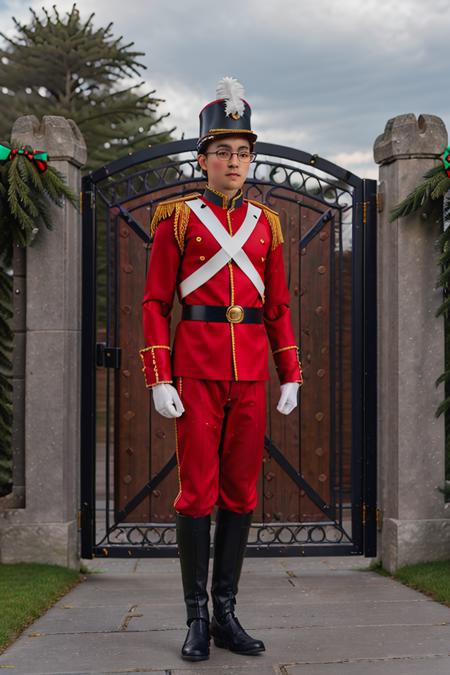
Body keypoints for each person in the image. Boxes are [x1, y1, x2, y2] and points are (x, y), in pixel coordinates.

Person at [139, 76, 303, 662]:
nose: (234, 162)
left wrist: (292, 374)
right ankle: (196, 618)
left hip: (252, 370)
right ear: (203, 158)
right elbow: (156, 303)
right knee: (196, 494)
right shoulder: (177, 218)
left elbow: (278, 305)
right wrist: (159, 376)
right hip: (197, 369)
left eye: (242, 152)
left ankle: (228, 613)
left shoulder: (268, 224)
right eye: (222, 151)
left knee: (239, 491)